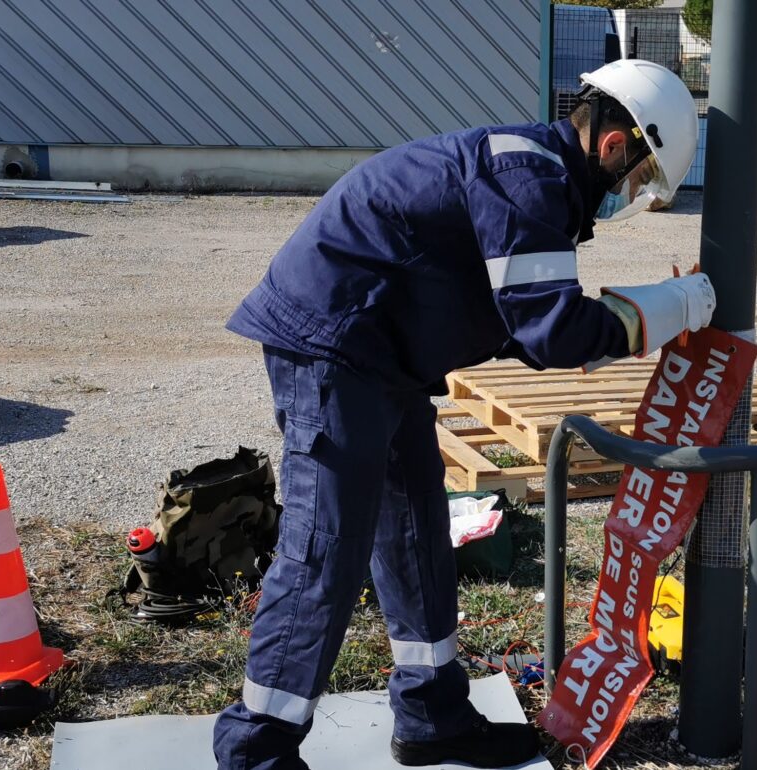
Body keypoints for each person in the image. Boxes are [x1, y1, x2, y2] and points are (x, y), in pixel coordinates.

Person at [213, 60, 713, 770]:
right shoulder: (530, 180)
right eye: (638, 180)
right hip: (334, 347)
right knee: (326, 550)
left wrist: (633, 321)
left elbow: (521, 321)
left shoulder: (538, 181)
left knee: (418, 529)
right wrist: (671, 309)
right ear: (614, 146)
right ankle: (254, 752)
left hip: (380, 358)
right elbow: (552, 332)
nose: (629, 195)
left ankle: (431, 717)